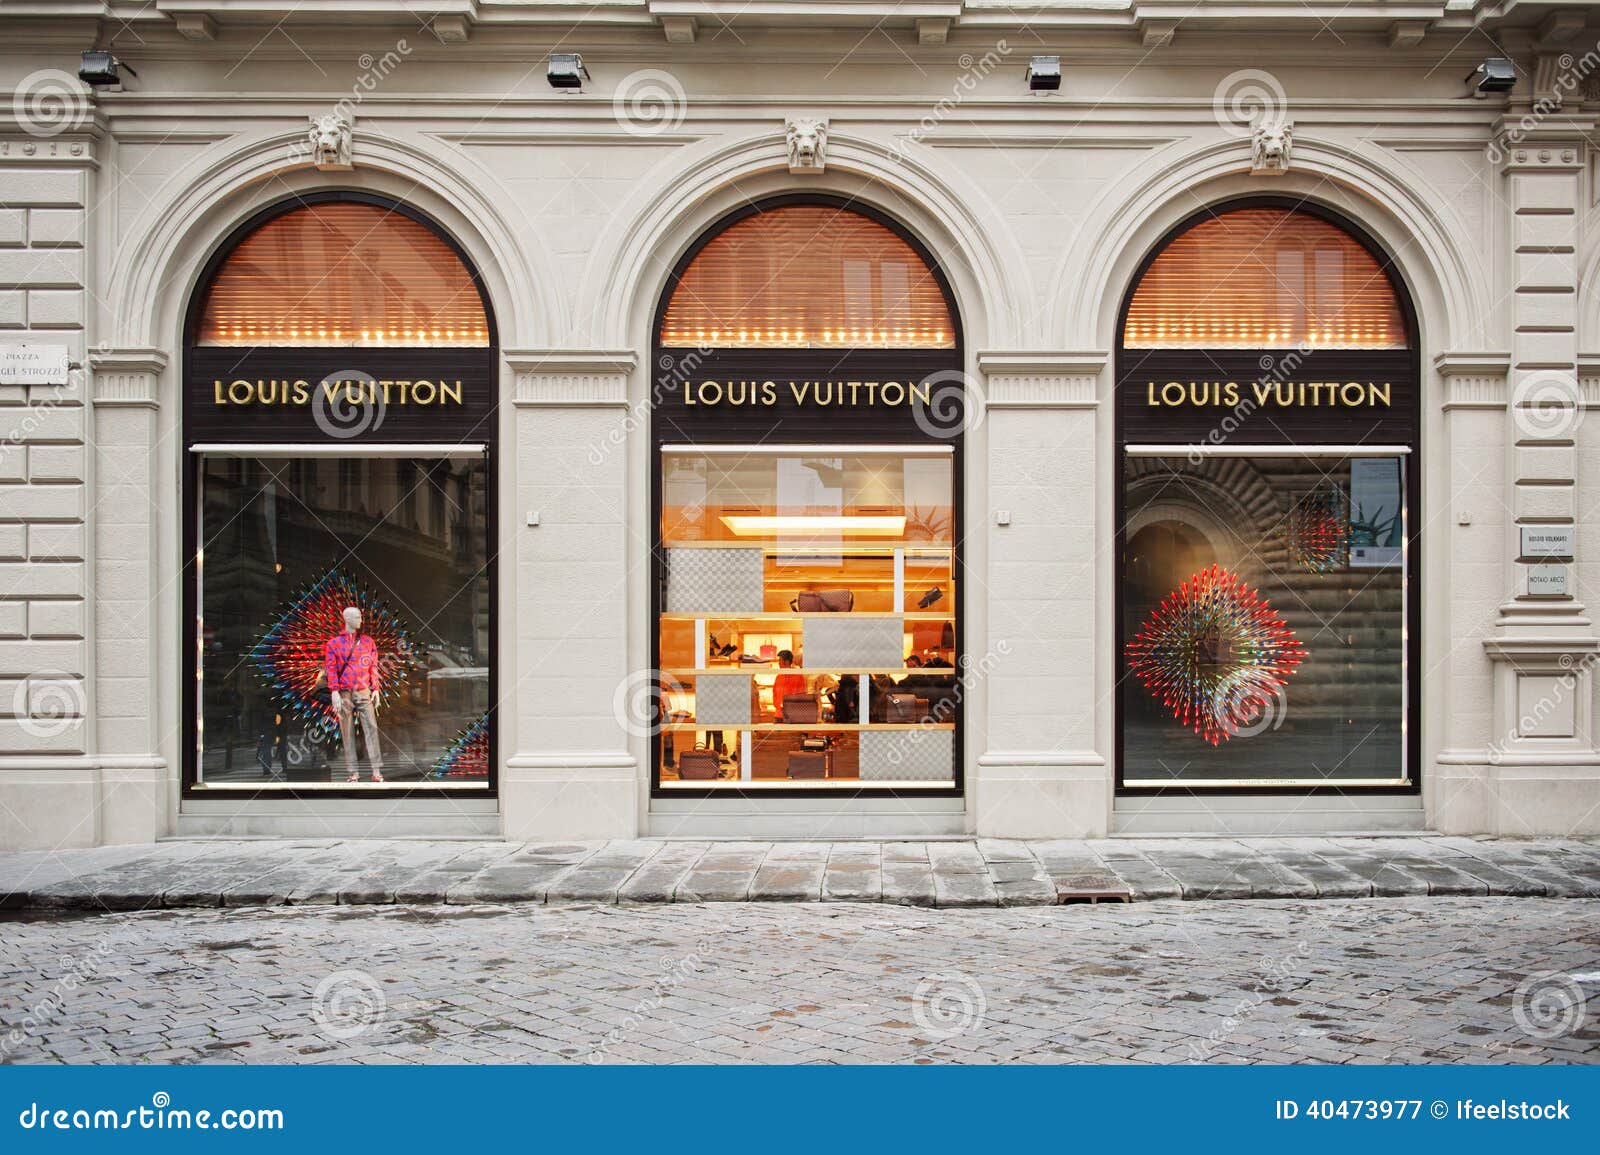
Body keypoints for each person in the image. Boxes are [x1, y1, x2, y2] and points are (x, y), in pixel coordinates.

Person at [325, 605, 384, 783]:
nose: (361, 620)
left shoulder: (368, 642)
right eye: (357, 617)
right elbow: (331, 669)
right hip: (344, 692)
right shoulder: (334, 643)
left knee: (371, 728)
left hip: (363, 689)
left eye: (360, 616)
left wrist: (376, 689)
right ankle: (353, 772)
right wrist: (334, 691)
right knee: (347, 730)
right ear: (347, 619)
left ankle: (376, 770)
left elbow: (373, 666)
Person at [772, 649, 807, 719]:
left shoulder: (798, 676)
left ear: (787, 661)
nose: (778, 663)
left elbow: (801, 695)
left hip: (793, 715)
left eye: (780, 660)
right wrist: (778, 706)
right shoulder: (779, 676)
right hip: (779, 714)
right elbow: (774, 693)